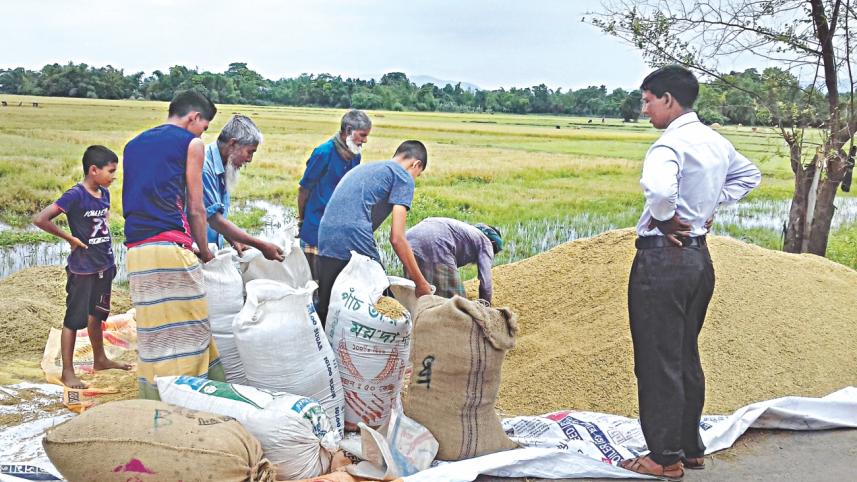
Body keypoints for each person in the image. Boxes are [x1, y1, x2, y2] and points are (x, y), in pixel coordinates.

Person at [620, 65, 761, 480]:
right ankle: (690, 446)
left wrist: (665, 219)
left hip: (663, 258)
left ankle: (664, 457)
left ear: (667, 99)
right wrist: (712, 206)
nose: (644, 109)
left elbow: (661, 192)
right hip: (700, 259)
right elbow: (749, 175)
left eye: (647, 100)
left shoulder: (669, 146)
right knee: (683, 353)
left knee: (657, 359)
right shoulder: (715, 141)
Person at [122, 90, 226, 400]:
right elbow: (195, 206)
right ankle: (191, 401)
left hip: (137, 251)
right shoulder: (191, 144)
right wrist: (205, 251)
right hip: (170, 249)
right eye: (204, 127)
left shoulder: (133, 144)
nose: (202, 134)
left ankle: (154, 401)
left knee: (154, 334)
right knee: (192, 331)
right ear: (194, 118)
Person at [32, 146, 132, 389]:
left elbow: (103, 223)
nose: (114, 176)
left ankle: (100, 359)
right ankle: (68, 372)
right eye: (110, 171)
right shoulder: (75, 195)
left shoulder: (104, 193)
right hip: (83, 268)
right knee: (74, 319)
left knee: (98, 315)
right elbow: (40, 219)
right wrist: (70, 239)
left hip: (104, 264)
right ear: (93, 170)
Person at [315, 140, 433, 325]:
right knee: (386, 308)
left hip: (324, 239)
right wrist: (421, 284)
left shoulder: (367, 168)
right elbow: (397, 238)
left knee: (326, 308)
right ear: (415, 164)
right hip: (353, 237)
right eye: (418, 174)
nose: (414, 178)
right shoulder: (403, 176)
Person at [298, 109, 371, 279]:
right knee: (314, 281)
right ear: (347, 131)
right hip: (316, 226)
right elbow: (304, 189)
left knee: (335, 281)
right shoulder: (323, 153)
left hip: (339, 229)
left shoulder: (355, 156)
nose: (365, 140)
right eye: (362, 135)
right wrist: (302, 220)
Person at [203, 114, 284, 261]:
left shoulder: (224, 166)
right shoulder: (204, 168)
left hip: (209, 253)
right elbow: (213, 219)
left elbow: (215, 212)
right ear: (233, 144)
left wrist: (234, 239)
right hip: (193, 253)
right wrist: (261, 245)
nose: (249, 159)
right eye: (250, 152)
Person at [405, 218, 503, 303]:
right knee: (457, 302)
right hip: (435, 242)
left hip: (409, 239)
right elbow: (486, 282)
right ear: (493, 243)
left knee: (415, 291)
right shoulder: (486, 243)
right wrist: (485, 304)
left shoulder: (466, 231)